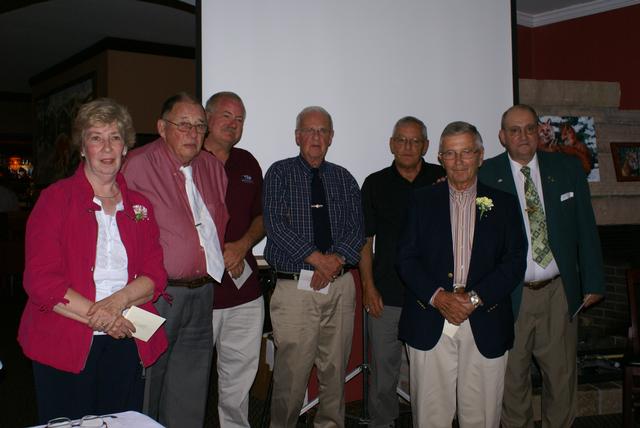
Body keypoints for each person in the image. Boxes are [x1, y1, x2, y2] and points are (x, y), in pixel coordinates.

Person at [18, 98, 168, 423]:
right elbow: (42, 282)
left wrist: (116, 305)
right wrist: (103, 319)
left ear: (126, 146)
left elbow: (155, 274)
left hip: (125, 337)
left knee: (120, 421)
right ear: (83, 147)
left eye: (115, 137)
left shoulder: (140, 205)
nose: (106, 146)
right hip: (66, 338)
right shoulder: (56, 199)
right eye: (96, 137)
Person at [478, 104, 605, 428]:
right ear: (502, 136)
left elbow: (585, 229)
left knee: (561, 378)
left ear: (539, 131)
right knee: (512, 379)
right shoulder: (486, 174)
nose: (523, 136)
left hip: (558, 293)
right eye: (515, 130)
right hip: (509, 295)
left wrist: (593, 282)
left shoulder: (567, 169)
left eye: (530, 128)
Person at [396, 121, 527, 427]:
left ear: (480, 155)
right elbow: (405, 258)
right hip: (430, 318)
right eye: (450, 154)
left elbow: (514, 261)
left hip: (486, 317)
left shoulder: (505, 204)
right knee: (431, 417)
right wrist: (439, 297)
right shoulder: (420, 201)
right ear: (440, 158)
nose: (458, 161)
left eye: (466, 152)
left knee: (482, 417)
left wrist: (474, 298)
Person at [122, 92, 229, 428]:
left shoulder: (212, 168)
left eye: (199, 125)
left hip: (202, 292)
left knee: (192, 384)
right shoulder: (137, 166)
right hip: (155, 296)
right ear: (161, 127)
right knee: (147, 380)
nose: (193, 133)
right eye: (183, 125)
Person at [263, 106, 365, 428]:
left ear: (331, 137)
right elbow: (275, 225)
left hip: (340, 286)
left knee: (335, 371)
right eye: (309, 130)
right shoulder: (279, 173)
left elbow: (356, 229)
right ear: (297, 136)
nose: (316, 137)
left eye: (323, 131)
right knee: (291, 376)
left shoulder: (344, 178)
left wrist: (333, 263)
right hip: (295, 288)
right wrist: (318, 259)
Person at [359, 116, 444, 427]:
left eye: (415, 140)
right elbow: (365, 241)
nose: (408, 146)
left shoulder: (443, 179)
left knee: (433, 378)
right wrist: (368, 287)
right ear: (392, 144)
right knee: (383, 375)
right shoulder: (375, 183)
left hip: (435, 298)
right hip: (387, 295)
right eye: (402, 140)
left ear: (426, 146)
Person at [203, 91, 265, 427]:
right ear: (207, 118)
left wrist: (241, 246)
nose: (233, 123)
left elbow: (262, 216)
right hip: (201, 294)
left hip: (244, 294)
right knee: (192, 379)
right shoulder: (188, 160)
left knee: (239, 378)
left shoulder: (247, 162)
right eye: (226, 115)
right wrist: (222, 254)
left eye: (239, 119)